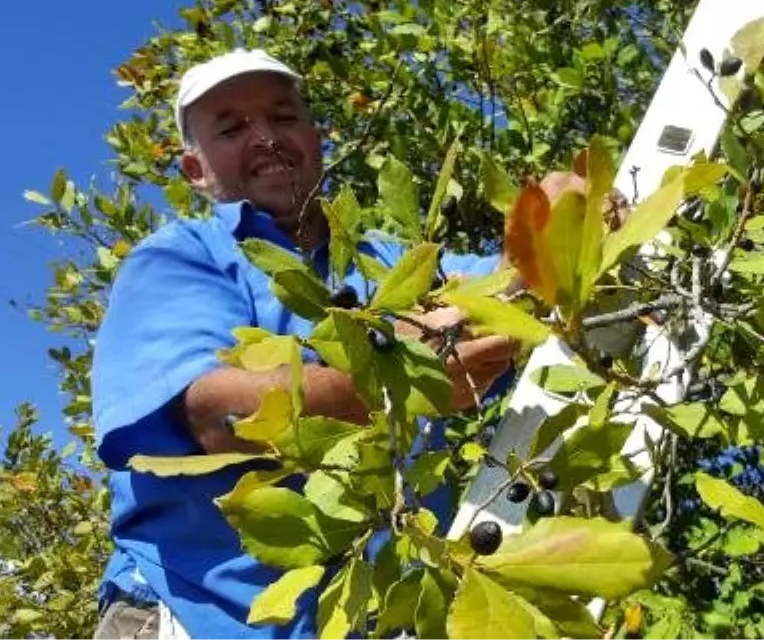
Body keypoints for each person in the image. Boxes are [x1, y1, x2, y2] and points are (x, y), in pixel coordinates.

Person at [91, 48, 558, 638]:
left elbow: (505, 291)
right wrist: (402, 379)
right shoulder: (179, 259)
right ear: (196, 171)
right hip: (194, 617)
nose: (264, 136)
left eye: (283, 117)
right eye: (232, 127)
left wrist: (553, 224)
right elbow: (223, 415)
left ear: (316, 137)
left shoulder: (391, 262)